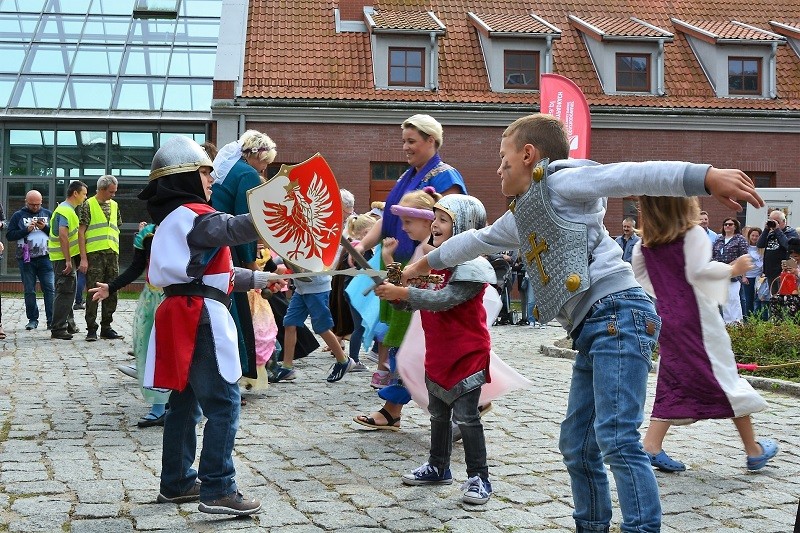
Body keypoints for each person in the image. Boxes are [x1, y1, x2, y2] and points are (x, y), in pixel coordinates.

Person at [401, 113, 764, 533]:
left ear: (528, 155)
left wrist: (706, 176)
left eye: (503, 160)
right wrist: (416, 269)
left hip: (619, 314)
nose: (498, 170)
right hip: (594, 327)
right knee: (576, 444)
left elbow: (626, 175)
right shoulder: (524, 214)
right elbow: (472, 242)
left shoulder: (561, 182)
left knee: (616, 438)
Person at [139, 135, 280, 516]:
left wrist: (261, 280)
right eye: (204, 172)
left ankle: (177, 481)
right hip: (197, 314)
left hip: (184, 308)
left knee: (185, 403)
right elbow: (234, 229)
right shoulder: (196, 214)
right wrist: (280, 212)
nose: (212, 179)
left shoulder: (178, 218)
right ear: (185, 176)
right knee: (223, 403)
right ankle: (217, 488)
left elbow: (209, 271)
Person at [632, 195, 778, 473]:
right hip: (697, 317)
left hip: (668, 318)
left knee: (673, 375)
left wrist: (668, 292)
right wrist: (732, 269)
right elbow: (699, 271)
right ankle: (753, 450)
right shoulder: (694, 234)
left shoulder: (644, 244)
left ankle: (651, 445)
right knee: (724, 375)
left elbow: (642, 278)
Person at [374, 194, 496, 505]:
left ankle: (479, 477)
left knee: (467, 416)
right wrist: (396, 296)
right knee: (438, 413)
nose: (435, 225)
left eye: (443, 219)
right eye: (435, 218)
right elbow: (417, 301)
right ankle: (438, 466)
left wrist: (405, 290)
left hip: (467, 352)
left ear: (465, 226)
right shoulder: (435, 261)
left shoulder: (472, 267)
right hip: (439, 351)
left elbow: (444, 300)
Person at [350, 114, 466, 429]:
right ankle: (393, 410)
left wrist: (423, 264)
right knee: (409, 343)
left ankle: (472, 402)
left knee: (420, 345)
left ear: (432, 141)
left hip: (426, 276)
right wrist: (362, 246)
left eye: (411, 141)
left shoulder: (446, 177)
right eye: (404, 141)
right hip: (402, 270)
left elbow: (450, 223)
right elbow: (385, 218)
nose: (406, 147)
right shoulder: (407, 176)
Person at [353, 188, 440, 419]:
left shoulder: (431, 248)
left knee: (416, 366)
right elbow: (405, 279)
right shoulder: (423, 247)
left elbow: (413, 283)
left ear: (426, 220)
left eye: (408, 221)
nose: (403, 228)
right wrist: (388, 259)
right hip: (417, 318)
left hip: (427, 322)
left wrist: (395, 285)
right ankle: (393, 411)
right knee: (406, 363)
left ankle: (464, 409)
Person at [211, 130, 277, 383]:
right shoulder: (247, 174)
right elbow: (246, 222)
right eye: (265, 162)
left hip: (216, 242)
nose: (264, 169)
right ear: (256, 155)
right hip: (230, 250)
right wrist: (250, 262)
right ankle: (232, 376)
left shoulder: (231, 169)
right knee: (235, 312)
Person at [90, 222, 171, 427]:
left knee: (174, 351)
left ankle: (176, 401)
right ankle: (159, 406)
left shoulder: (189, 225)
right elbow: (137, 267)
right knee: (151, 350)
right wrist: (111, 286)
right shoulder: (147, 234)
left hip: (178, 298)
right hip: (153, 299)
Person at [78, 175, 124, 341]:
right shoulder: (87, 205)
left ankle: (107, 326)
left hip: (112, 253)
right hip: (94, 255)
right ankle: (91, 328)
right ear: (102, 189)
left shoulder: (115, 205)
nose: (114, 194)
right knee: (93, 292)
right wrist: (83, 258)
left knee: (112, 291)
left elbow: (116, 227)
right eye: (111, 191)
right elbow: (81, 232)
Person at [6, 190, 55, 331]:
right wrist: (26, 230)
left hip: (45, 258)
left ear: (41, 202)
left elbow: (56, 233)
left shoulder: (47, 214)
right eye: (32, 204)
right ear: (26, 202)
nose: (35, 207)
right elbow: (10, 235)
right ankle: (32, 319)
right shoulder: (18, 215)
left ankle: (51, 320)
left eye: (38, 204)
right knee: (29, 290)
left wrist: (44, 227)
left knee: (49, 289)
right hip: (26, 259)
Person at [48, 180, 88, 341]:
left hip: (63, 257)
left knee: (67, 292)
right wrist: (68, 261)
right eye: (84, 194)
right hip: (63, 259)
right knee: (65, 292)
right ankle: (58, 328)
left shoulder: (68, 210)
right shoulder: (65, 211)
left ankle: (68, 325)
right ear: (75, 193)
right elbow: (63, 235)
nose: (85, 197)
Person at [712, 217, 749, 324]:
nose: (727, 226)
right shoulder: (719, 239)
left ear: (735, 226)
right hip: (720, 273)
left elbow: (744, 256)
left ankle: (737, 322)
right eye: (725, 224)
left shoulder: (739, 239)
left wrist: (741, 273)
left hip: (734, 273)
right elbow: (714, 255)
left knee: (734, 298)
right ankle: (728, 323)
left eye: (730, 224)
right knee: (724, 300)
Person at [756, 209, 799, 298]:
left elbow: (788, 246)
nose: (774, 224)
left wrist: (777, 230)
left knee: (785, 297)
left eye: (777, 221)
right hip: (771, 271)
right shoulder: (770, 233)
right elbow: (760, 244)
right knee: (774, 299)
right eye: (771, 221)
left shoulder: (790, 232)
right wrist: (766, 230)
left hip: (784, 271)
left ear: (784, 221)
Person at [741, 227, 764, 318]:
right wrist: (743, 276)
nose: (754, 238)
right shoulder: (746, 247)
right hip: (748, 277)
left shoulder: (762, 248)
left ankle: (758, 319)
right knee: (748, 299)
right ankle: (748, 319)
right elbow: (742, 263)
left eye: (757, 236)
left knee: (759, 299)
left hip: (759, 277)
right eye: (753, 235)